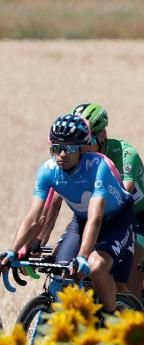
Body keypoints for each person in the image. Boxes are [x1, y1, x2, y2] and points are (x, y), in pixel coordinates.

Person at [2, 115, 135, 315]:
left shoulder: (99, 167)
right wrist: (14, 250)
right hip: (82, 221)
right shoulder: (48, 171)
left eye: (69, 148)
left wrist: (82, 256)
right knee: (60, 271)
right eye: (56, 148)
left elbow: (96, 217)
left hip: (117, 220)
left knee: (96, 267)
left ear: (83, 148)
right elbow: (34, 216)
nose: (61, 154)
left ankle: (111, 317)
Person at [73, 103, 144, 298]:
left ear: (102, 135)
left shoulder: (126, 154)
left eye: (86, 140)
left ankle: (135, 321)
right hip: (107, 217)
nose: (82, 147)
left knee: (128, 272)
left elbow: (124, 193)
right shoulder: (80, 158)